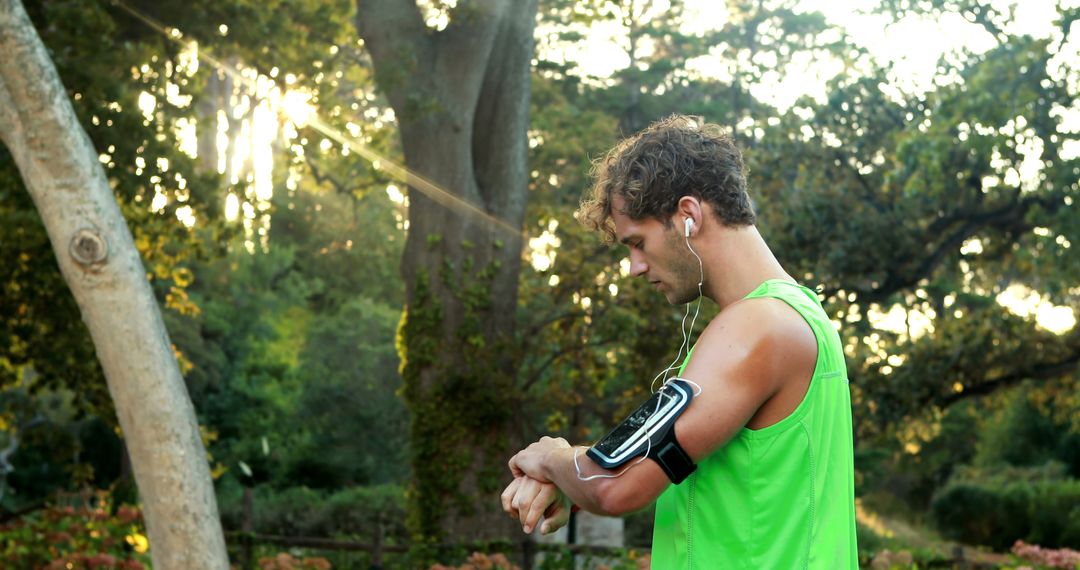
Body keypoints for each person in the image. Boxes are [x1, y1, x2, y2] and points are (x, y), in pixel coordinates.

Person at [500, 115, 857, 568]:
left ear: (688, 216)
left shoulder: (756, 329)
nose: (634, 267)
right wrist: (574, 481)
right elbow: (636, 468)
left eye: (638, 243)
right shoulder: (797, 316)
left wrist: (551, 458)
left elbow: (617, 484)